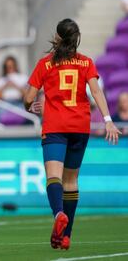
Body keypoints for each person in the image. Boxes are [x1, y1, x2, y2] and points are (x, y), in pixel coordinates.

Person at [23, 18, 121, 250]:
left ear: (57, 37)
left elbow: (28, 97)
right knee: (71, 181)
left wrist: (30, 107)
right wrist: (108, 120)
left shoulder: (45, 64)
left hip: (56, 127)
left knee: (54, 177)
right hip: (80, 127)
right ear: (75, 38)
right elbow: (96, 91)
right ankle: (66, 235)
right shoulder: (86, 63)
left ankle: (58, 214)